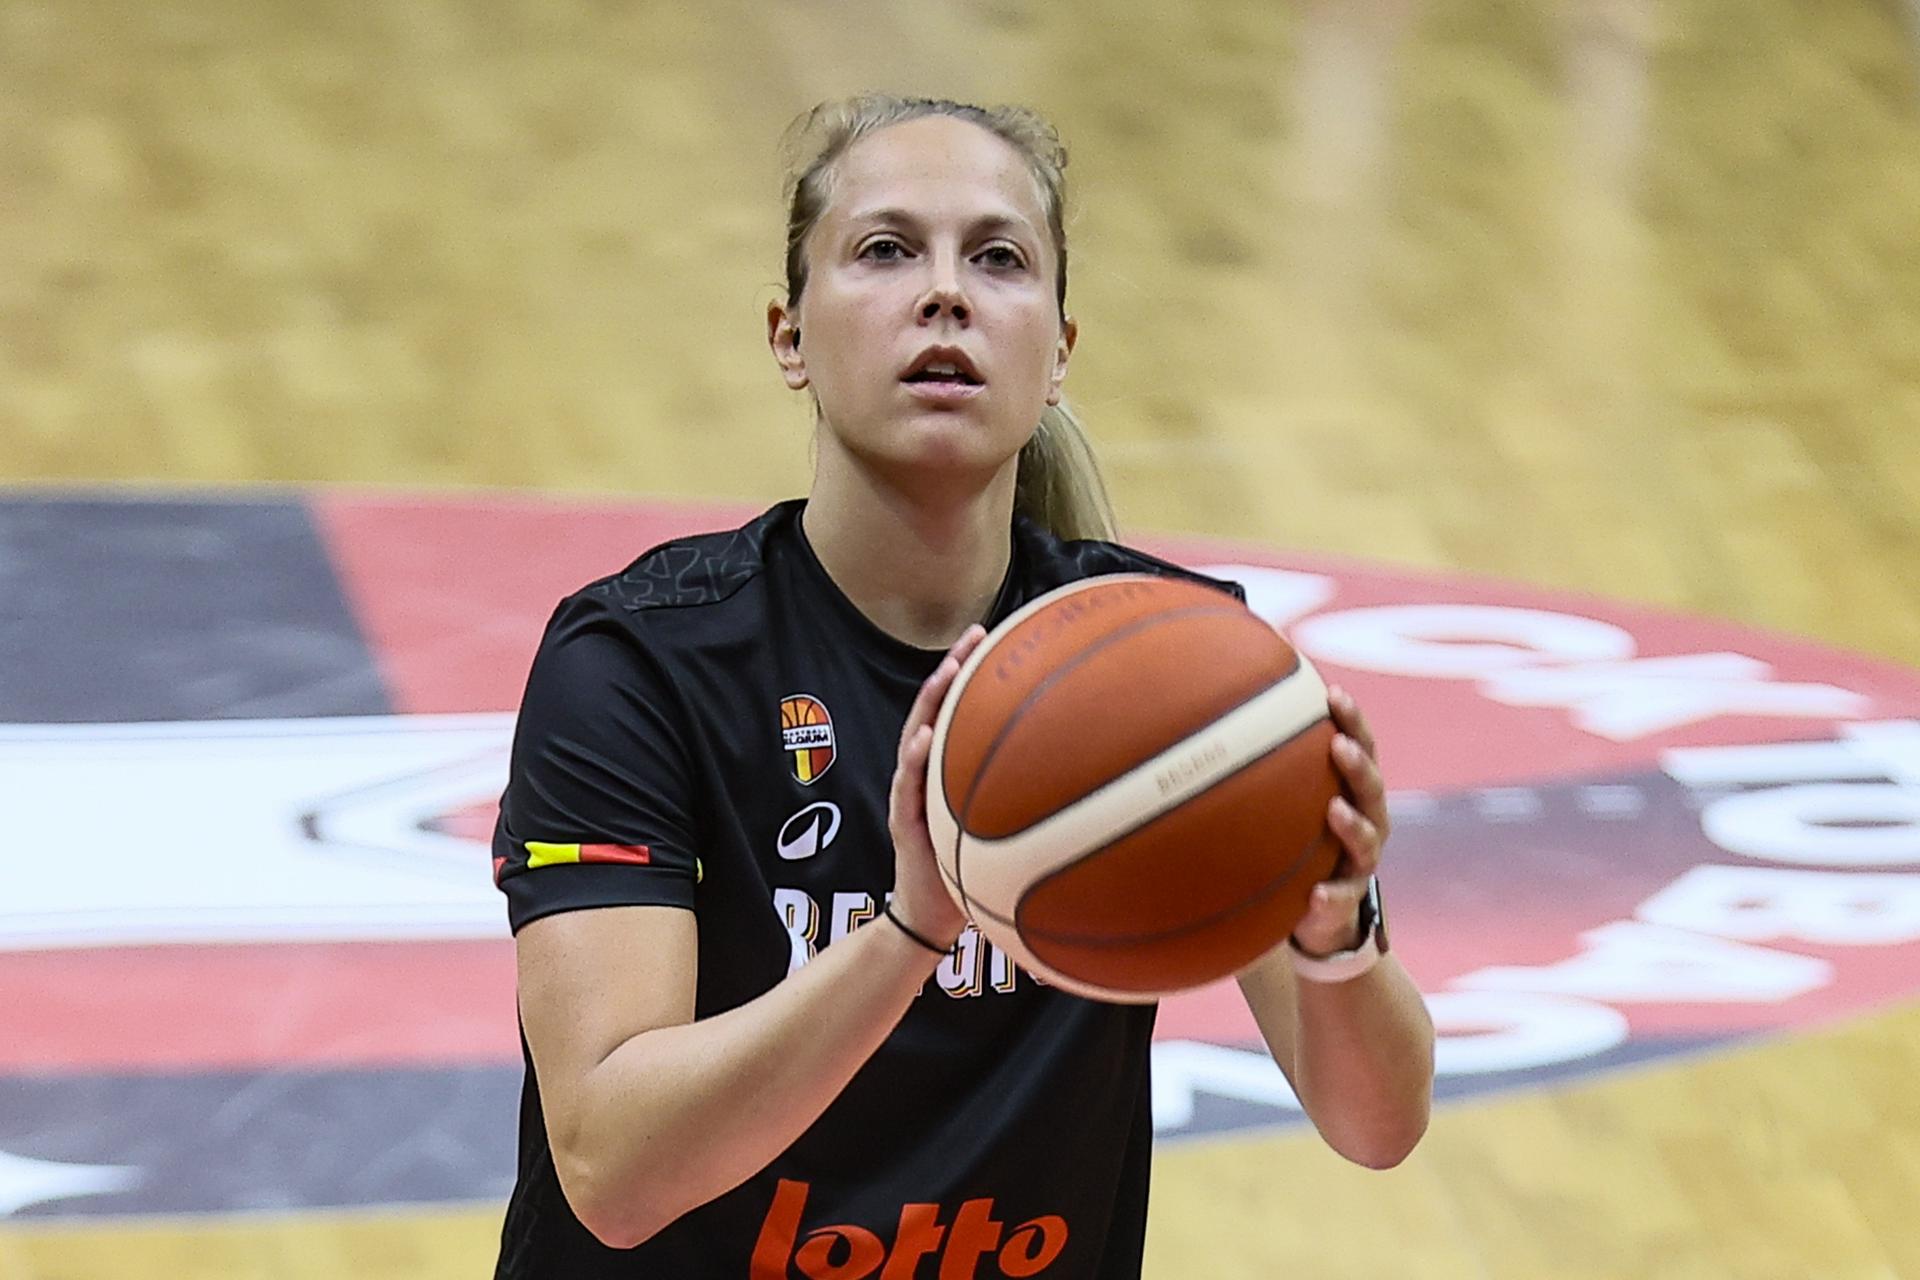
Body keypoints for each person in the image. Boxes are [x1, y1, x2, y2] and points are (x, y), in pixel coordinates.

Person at [490, 94, 1435, 1279]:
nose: (947, 293)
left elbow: (1377, 1124)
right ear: (789, 335)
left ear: (1057, 352)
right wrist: (913, 927)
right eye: (885, 250)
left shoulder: (1178, 673)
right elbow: (614, 1173)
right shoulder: (637, 667)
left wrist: (1333, 933)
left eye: (999, 258)